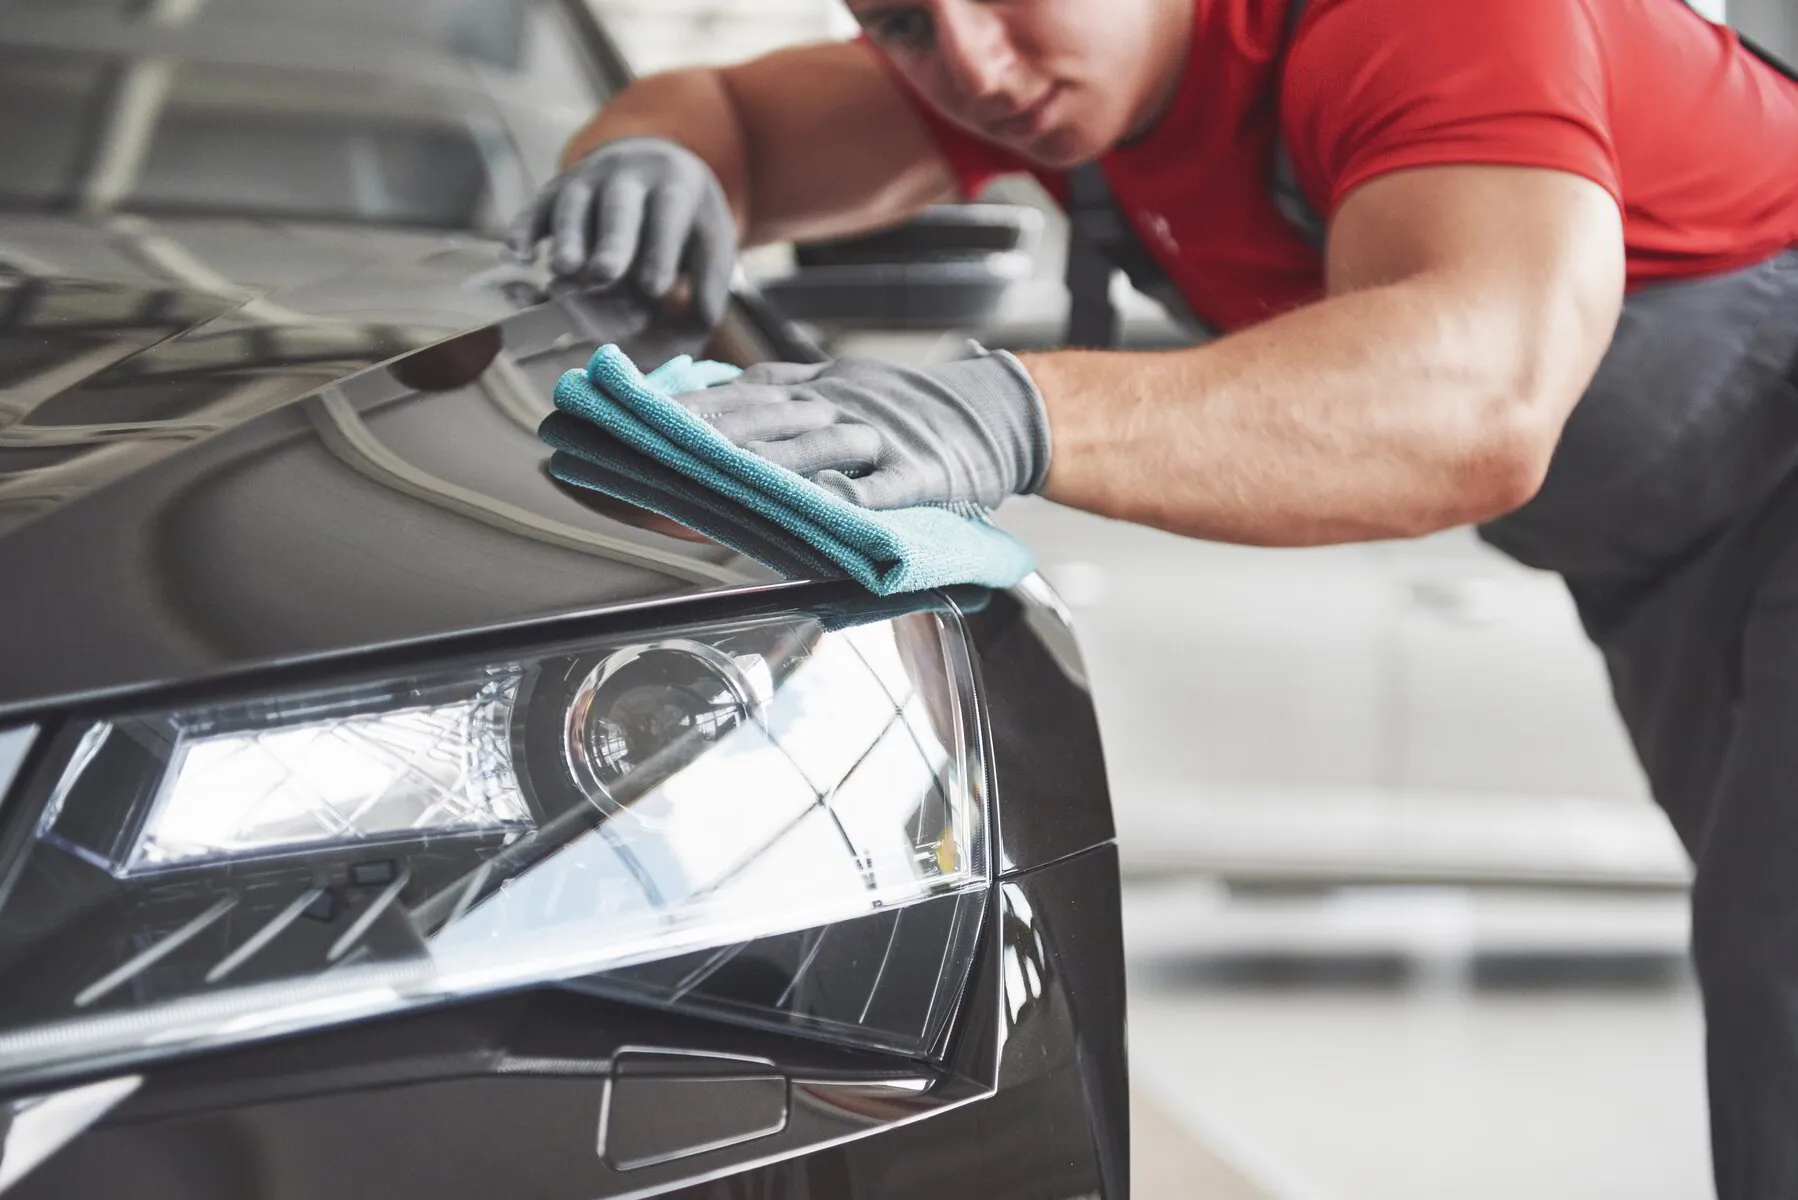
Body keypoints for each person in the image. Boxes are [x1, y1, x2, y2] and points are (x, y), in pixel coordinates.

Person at [508, 1, 1798, 1191]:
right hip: (1670, 564)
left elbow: (1485, 395)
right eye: (902, 22)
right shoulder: (1044, 73)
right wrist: (650, 158)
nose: (974, 67)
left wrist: (1015, 407)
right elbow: (727, 114)